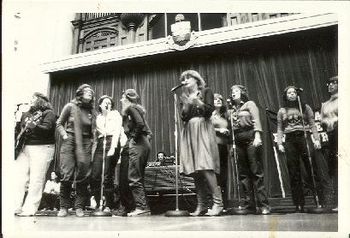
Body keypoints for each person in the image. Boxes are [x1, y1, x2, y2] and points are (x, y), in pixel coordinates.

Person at [178, 70, 223, 216]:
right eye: (183, 79)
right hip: (189, 130)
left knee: (205, 165)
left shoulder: (206, 91)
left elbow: (209, 111)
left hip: (203, 127)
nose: (185, 80)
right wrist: (185, 105)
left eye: (188, 78)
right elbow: (184, 117)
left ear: (196, 80)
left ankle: (218, 203)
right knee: (195, 168)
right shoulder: (184, 96)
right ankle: (202, 205)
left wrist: (198, 102)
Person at [277, 86, 321, 213]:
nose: (292, 94)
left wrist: (316, 139)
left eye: (294, 92)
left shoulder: (304, 107)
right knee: (294, 172)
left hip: (304, 137)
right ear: (285, 96)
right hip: (290, 140)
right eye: (289, 93)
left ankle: (319, 200)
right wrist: (280, 142)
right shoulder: (282, 110)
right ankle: (299, 204)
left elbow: (312, 124)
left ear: (297, 94)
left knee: (311, 168)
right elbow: (280, 128)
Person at [229, 85, 270, 214]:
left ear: (242, 92)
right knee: (243, 174)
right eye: (232, 92)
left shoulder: (249, 104)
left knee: (256, 172)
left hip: (251, 138)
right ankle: (249, 204)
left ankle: (263, 205)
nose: (233, 93)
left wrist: (258, 135)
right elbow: (231, 128)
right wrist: (232, 145)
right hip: (238, 141)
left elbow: (256, 120)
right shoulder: (232, 109)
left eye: (236, 91)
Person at [56, 84, 96, 217]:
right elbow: (59, 123)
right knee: (66, 174)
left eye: (91, 92)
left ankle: (78, 207)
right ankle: (63, 207)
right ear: (80, 93)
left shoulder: (91, 111)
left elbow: (94, 130)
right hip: (70, 140)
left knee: (83, 176)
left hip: (85, 143)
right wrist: (65, 136)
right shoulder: (70, 106)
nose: (90, 93)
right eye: (87, 91)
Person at [14, 92, 56, 216]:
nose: (31, 100)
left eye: (34, 98)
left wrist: (35, 126)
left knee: (36, 179)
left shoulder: (49, 113)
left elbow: (48, 128)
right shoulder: (26, 114)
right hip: (24, 148)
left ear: (41, 100)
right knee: (20, 178)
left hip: (42, 147)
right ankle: (15, 206)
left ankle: (29, 209)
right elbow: (20, 131)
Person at [117, 89, 152, 216]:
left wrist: (133, 138)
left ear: (127, 99)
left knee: (133, 177)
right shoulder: (136, 109)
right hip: (143, 143)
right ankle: (143, 206)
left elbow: (140, 124)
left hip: (138, 143)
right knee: (137, 176)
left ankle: (141, 207)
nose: (121, 100)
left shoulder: (131, 108)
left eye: (122, 98)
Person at [90, 95, 127, 212]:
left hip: (112, 142)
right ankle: (98, 201)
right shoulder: (98, 117)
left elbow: (117, 131)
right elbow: (96, 133)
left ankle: (109, 205)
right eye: (105, 103)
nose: (107, 105)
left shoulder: (115, 115)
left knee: (107, 175)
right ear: (100, 105)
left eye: (109, 103)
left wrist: (114, 146)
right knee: (95, 175)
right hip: (101, 143)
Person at [320, 76, 338, 212]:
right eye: (329, 83)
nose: (331, 85)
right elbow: (322, 120)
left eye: (334, 83)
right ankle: (340, 202)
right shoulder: (325, 104)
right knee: (335, 167)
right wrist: (327, 122)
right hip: (332, 135)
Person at [211, 93, 230, 210]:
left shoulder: (225, 116)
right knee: (215, 174)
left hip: (223, 146)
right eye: (215, 99)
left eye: (220, 99)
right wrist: (219, 130)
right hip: (213, 146)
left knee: (223, 175)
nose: (218, 101)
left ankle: (224, 204)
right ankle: (214, 203)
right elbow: (205, 128)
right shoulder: (209, 115)